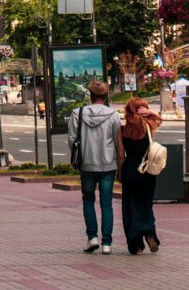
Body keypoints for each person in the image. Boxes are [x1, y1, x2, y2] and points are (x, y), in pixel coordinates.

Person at [67, 80, 122, 255]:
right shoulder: (113, 115)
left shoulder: (78, 113)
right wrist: (119, 164)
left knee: (88, 201)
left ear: (90, 95)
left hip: (87, 164)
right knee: (106, 203)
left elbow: (71, 139)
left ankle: (92, 238)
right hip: (107, 164)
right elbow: (118, 142)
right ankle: (107, 243)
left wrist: (81, 154)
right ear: (106, 96)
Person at [119, 97, 162, 255]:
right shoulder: (148, 126)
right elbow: (160, 119)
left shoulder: (123, 130)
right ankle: (149, 232)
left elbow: (120, 154)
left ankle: (135, 244)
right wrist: (150, 113)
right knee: (145, 203)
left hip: (130, 169)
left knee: (130, 205)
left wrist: (119, 172)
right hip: (147, 170)